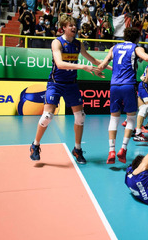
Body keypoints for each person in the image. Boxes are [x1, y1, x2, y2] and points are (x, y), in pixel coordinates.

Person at [29, 14, 107, 164]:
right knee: (47, 116)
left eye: (74, 25)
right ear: (63, 28)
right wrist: (82, 67)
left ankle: (77, 150)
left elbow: (93, 60)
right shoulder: (57, 43)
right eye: (70, 25)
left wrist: (109, 67)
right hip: (56, 83)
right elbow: (60, 64)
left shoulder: (78, 44)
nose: (74, 27)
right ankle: (35, 145)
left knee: (80, 117)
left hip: (71, 84)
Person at [97, 27, 148, 164]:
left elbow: (104, 63)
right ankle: (123, 149)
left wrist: (98, 69)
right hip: (128, 85)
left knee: (114, 119)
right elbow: (147, 58)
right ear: (137, 38)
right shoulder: (136, 48)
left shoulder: (114, 48)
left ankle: (111, 150)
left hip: (114, 86)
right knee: (131, 117)